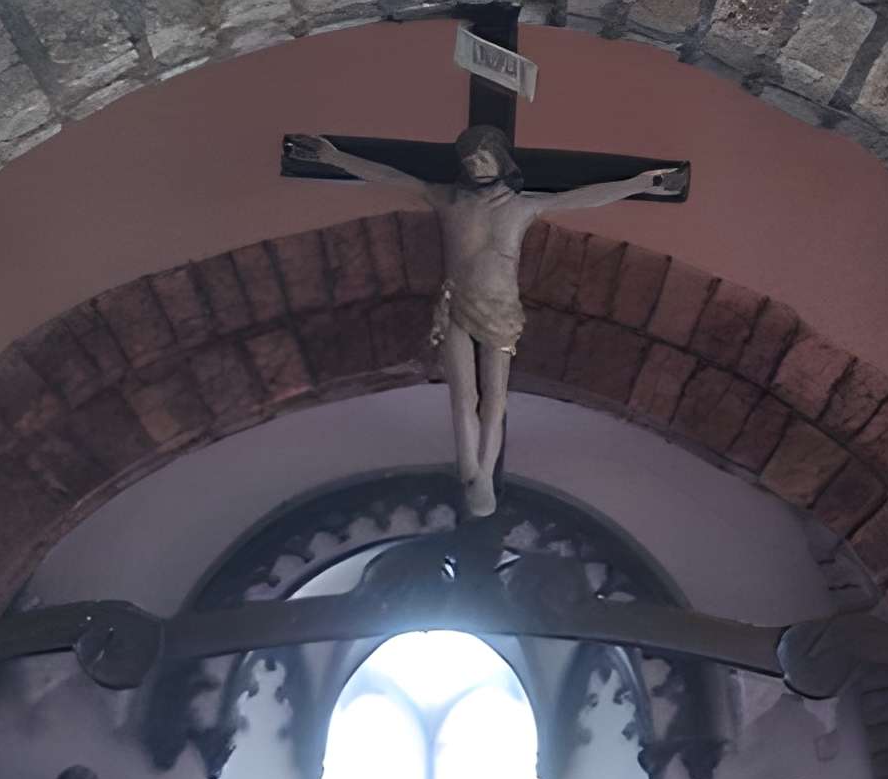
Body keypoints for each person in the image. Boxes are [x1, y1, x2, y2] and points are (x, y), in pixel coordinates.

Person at [281, 125, 684, 516]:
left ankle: (485, 474)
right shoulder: (448, 199)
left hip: (501, 306)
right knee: (462, 396)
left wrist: (639, 183)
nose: (475, 165)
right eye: (469, 159)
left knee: (495, 398)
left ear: (501, 159)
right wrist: (333, 157)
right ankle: (468, 468)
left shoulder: (523, 206)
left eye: (483, 156)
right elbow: (389, 176)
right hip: (457, 301)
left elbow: (584, 197)